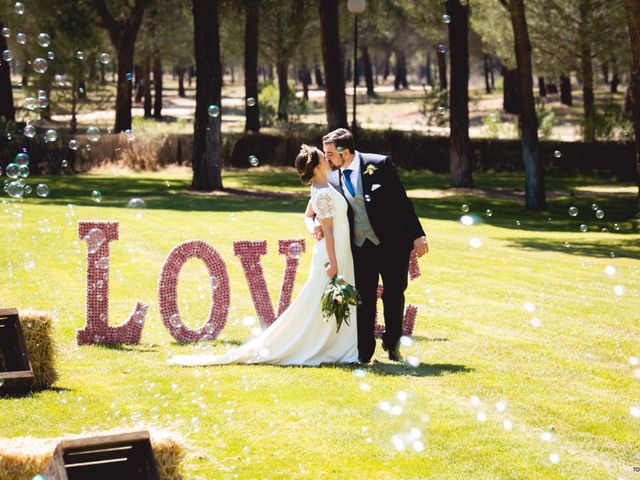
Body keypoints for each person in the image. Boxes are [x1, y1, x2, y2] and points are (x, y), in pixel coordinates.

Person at [168, 145, 358, 367]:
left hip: (339, 249)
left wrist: (310, 228)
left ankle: (334, 346)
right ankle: (315, 345)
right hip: (331, 252)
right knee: (318, 300)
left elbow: (308, 215)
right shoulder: (323, 192)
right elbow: (325, 230)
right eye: (323, 157)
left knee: (327, 300)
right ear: (316, 168)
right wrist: (333, 264)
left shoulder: (322, 187)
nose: (327, 158)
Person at [317, 128, 428, 363]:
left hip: (391, 245)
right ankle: (364, 351)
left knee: (394, 295)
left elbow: (401, 202)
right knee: (363, 299)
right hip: (359, 248)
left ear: (344, 151)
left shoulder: (380, 164)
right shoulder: (332, 178)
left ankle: (392, 343)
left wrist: (418, 235)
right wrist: (318, 224)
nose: (326, 158)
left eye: (329, 153)